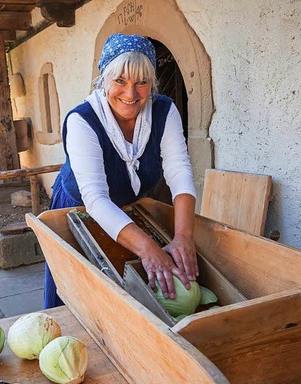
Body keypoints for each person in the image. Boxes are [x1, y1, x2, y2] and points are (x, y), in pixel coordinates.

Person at [44, 33, 198, 309]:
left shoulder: (163, 111)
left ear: (153, 83)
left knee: (124, 303)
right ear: (103, 79)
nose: (131, 94)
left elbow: (179, 170)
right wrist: (149, 250)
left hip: (128, 211)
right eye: (120, 81)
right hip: (79, 211)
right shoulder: (83, 120)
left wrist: (184, 237)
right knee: (78, 301)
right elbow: (96, 200)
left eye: (142, 82)